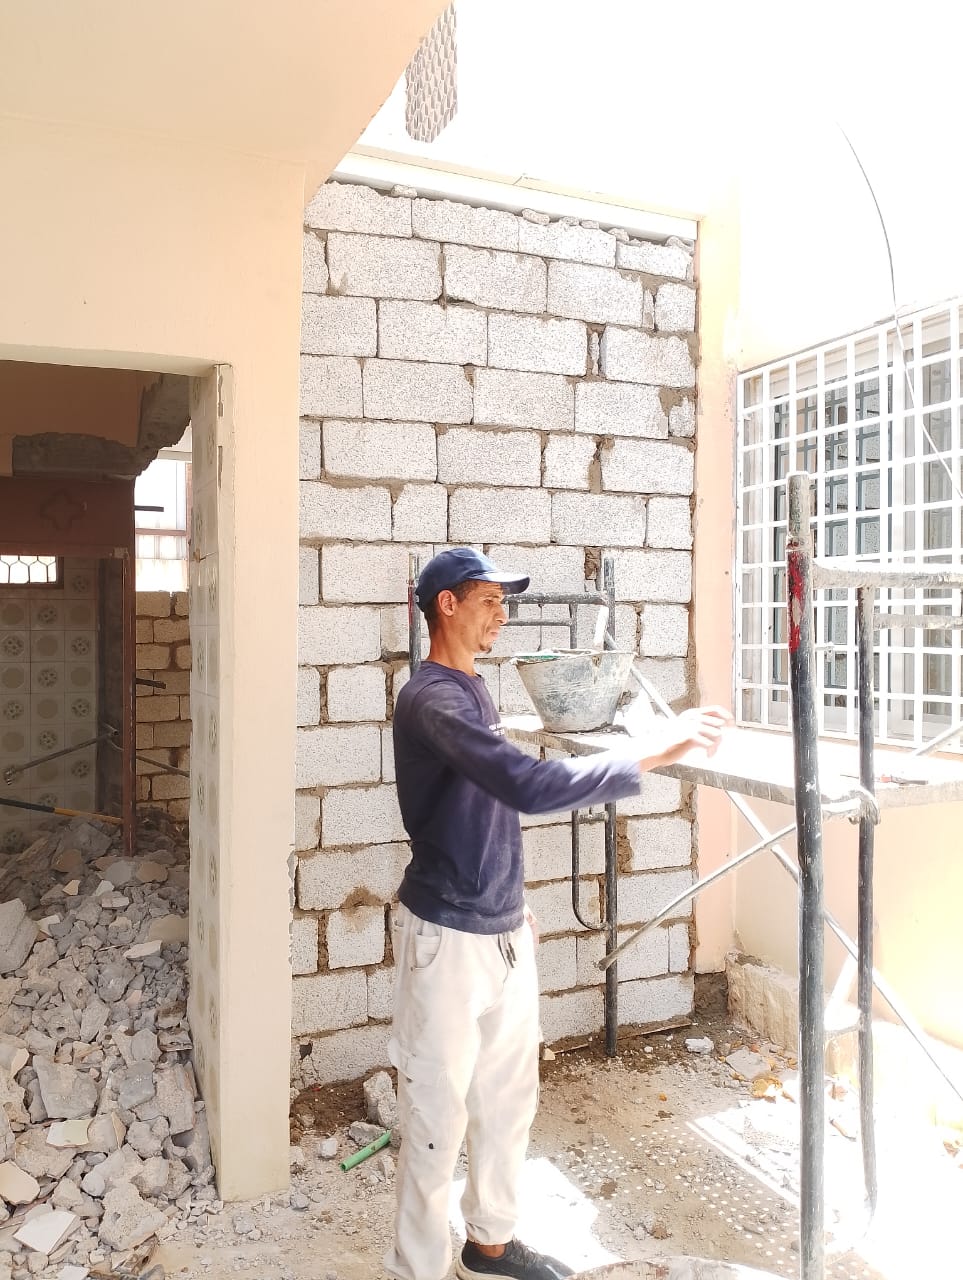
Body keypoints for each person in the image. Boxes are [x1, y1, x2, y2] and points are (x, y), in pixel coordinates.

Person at [385, 548, 730, 1280]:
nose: (501, 615)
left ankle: (489, 1244)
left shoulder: (472, 689)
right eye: (488, 601)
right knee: (435, 1120)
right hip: (445, 939)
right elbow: (526, 786)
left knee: (507, 1100)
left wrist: (515, 900)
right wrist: (652, 752)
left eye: (503, 602)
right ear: (446, 604)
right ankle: (416, 1269)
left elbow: (486, 812)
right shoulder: (431, 699)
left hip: (502, 930)